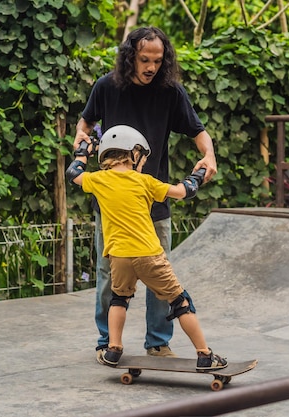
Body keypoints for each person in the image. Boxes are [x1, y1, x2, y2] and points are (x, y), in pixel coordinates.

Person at [73, 26, 218, 361]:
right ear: (130, 57)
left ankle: (158, 342)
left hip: (154, 197)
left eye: (157, 60)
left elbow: (199, 132)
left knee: (159, 273)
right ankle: (107, 343)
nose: (151, 66)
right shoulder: (106, 87)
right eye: (144, 59)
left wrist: (208, 155)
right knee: (109, 273)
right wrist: (81, 140)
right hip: (112, 204)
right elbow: (85, 124)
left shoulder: (170, 92)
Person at [67, 124, 227, 370]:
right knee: (180, 302)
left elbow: (74, 172)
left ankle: (113, 349)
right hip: (149, 255)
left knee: (119, 299)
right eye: (141, 157)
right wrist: (197, 176)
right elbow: (182, 192)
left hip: (118, 257)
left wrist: (83, 151)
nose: (143, 163)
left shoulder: (98, 180)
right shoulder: (145, 181)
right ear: (133, 153)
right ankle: (204, 354)